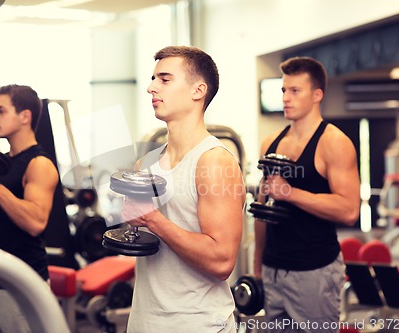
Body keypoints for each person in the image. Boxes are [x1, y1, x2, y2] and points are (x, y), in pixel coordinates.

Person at [122, 46, 245, 333]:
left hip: (196, 323)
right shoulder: (147, 162)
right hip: (144, 319)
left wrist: (152, 218)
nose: (152, 87)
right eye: (153, 79)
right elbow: (144, 239)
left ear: (198, 90)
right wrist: (132, 221)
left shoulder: (214, 161)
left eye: (164, 79)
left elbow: (222, 261)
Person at [253, 56, 361, 332]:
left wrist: (290, 193)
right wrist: (258, 264)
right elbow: (263, 208)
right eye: (283, 90)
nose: (286, 98)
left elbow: (349, 210)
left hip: (314, 270)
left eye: (295, 91)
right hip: (273, 268)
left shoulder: (334, 142)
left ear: (317, 94)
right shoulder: (271, 142)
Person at [0, 84, 59, 332]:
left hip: (22, 283)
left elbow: (36, 223)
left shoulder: (39, 164)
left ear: (25, 116)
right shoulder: (3, 164)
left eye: (1, 111)